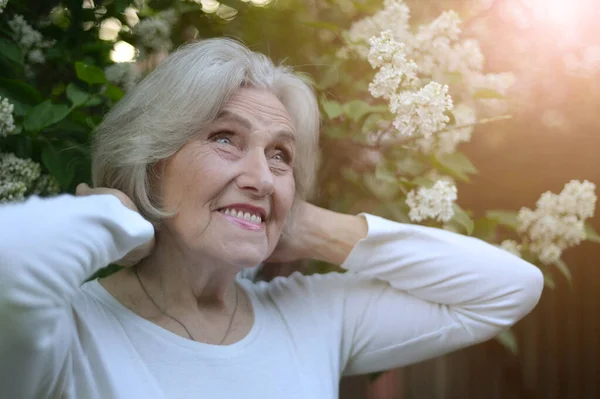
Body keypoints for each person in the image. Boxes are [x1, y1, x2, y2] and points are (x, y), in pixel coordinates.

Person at [0, 38, 543, 399]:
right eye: (224, 139)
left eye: (280, 155)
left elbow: (510, 288)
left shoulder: (309, 316)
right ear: (151, 161)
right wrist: (119, 214)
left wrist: (314, 229)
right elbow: (10, 263)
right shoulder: (66, 332)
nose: (261, 177)